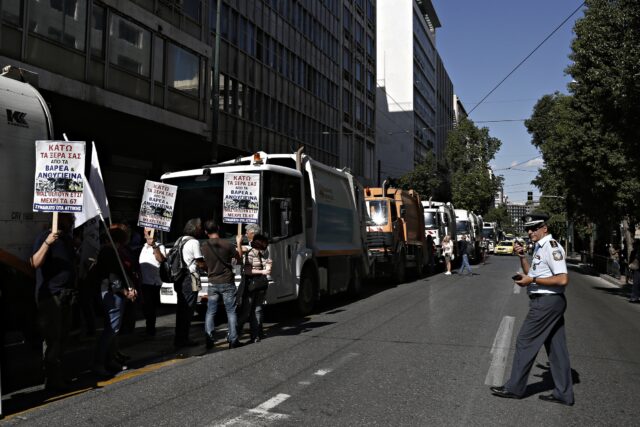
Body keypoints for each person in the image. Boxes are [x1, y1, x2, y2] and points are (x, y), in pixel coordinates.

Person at [490, 212, 575, 406]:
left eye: (534, 228)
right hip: (548, 301)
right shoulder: (540, 247)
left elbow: (562, 279)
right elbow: (531, 273)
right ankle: (564, 393)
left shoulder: (552, 247)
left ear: (545, 228)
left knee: (525, 341)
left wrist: (533, 280)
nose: (530, 232)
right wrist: (522, 258)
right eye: (528, 229)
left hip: (546, 302)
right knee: (557, 349)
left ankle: (514, 388)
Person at [30, 213, 77, 391]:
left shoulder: (66, 239)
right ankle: (52, 380)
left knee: (63, 338)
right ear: (59, 218)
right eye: (69, 218)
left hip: (66, 295)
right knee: (52, 339)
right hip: (51, 297)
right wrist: (48, 243)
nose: (72, 221)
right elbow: (34, 262)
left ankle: (58, 374)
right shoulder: (45, 237)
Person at [93, 227, 137, 376]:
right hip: (112, 293)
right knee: (112, 329)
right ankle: (99, 363)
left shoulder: (110, 251)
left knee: (111, 328)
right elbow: (113, 276)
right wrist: (125, 291)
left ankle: (110, 360)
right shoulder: (110, 252)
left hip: (111, 292)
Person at [200, 220, 244, 350]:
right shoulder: (228, 245)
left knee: (210, 312)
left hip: (212, 282)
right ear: (218, 228)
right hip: (227, 282)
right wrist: (239, 244)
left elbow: (202, 264)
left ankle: (209, 338)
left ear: (205, 232)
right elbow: (238, 261)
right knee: (231, 311)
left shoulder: (204, 246)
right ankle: (233, 339)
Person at [173, 218, 206, 348]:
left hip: (180, 277)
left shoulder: (179, 239)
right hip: (192, 276)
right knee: (188, 309)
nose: (201, 230)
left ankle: (179, 337)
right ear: (195, 229)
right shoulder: (194, 242)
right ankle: (183, 339)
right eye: (199, 227)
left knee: (182, 308)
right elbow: (200, 262)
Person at [238, 225, 272, 343]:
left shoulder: (251, 251)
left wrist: (238, 243)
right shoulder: (263, 249)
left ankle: (236, 333)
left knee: (247, 310)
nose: (246, 234)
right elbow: (268, 265)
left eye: (247, 232)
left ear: (253, 233)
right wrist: (266, 269)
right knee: (257, 309)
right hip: (261, 283)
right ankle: (256, 335)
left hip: (252, 283)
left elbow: (247, 270)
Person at [138, 227, 166, 337]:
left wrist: (154, 245)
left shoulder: (160, 246)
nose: (148, 234)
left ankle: (150, 330)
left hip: (153, 283)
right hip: (143, 282)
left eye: (150, 232)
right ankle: (149, 328)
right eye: (146, 232)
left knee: (150, 308)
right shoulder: (143, 247)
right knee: (145, 307)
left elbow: (161, 259)